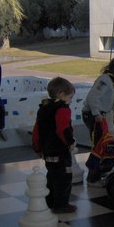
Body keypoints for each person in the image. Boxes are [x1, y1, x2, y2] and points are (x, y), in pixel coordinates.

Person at [82, 55, 114, 185]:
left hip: (105, 116)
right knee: (101, 146)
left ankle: (102, 171)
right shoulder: (104, 81)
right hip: (98, 117)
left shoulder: (111, 83)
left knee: (109, 145)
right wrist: (97, 114)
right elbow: (92, 97)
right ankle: (93, 178)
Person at [32, 77, 77, 213]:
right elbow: (62, 129)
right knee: (64, 177)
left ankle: (50, 201)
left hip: (47, 150)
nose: (71, 100)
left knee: (51, 176)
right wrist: (70, 142)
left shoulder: (44, 108)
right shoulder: (63, 109)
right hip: (60, 150)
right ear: (61, 95)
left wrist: (37, 147)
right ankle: (61, 204)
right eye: (70, 97)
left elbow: (36, 129)